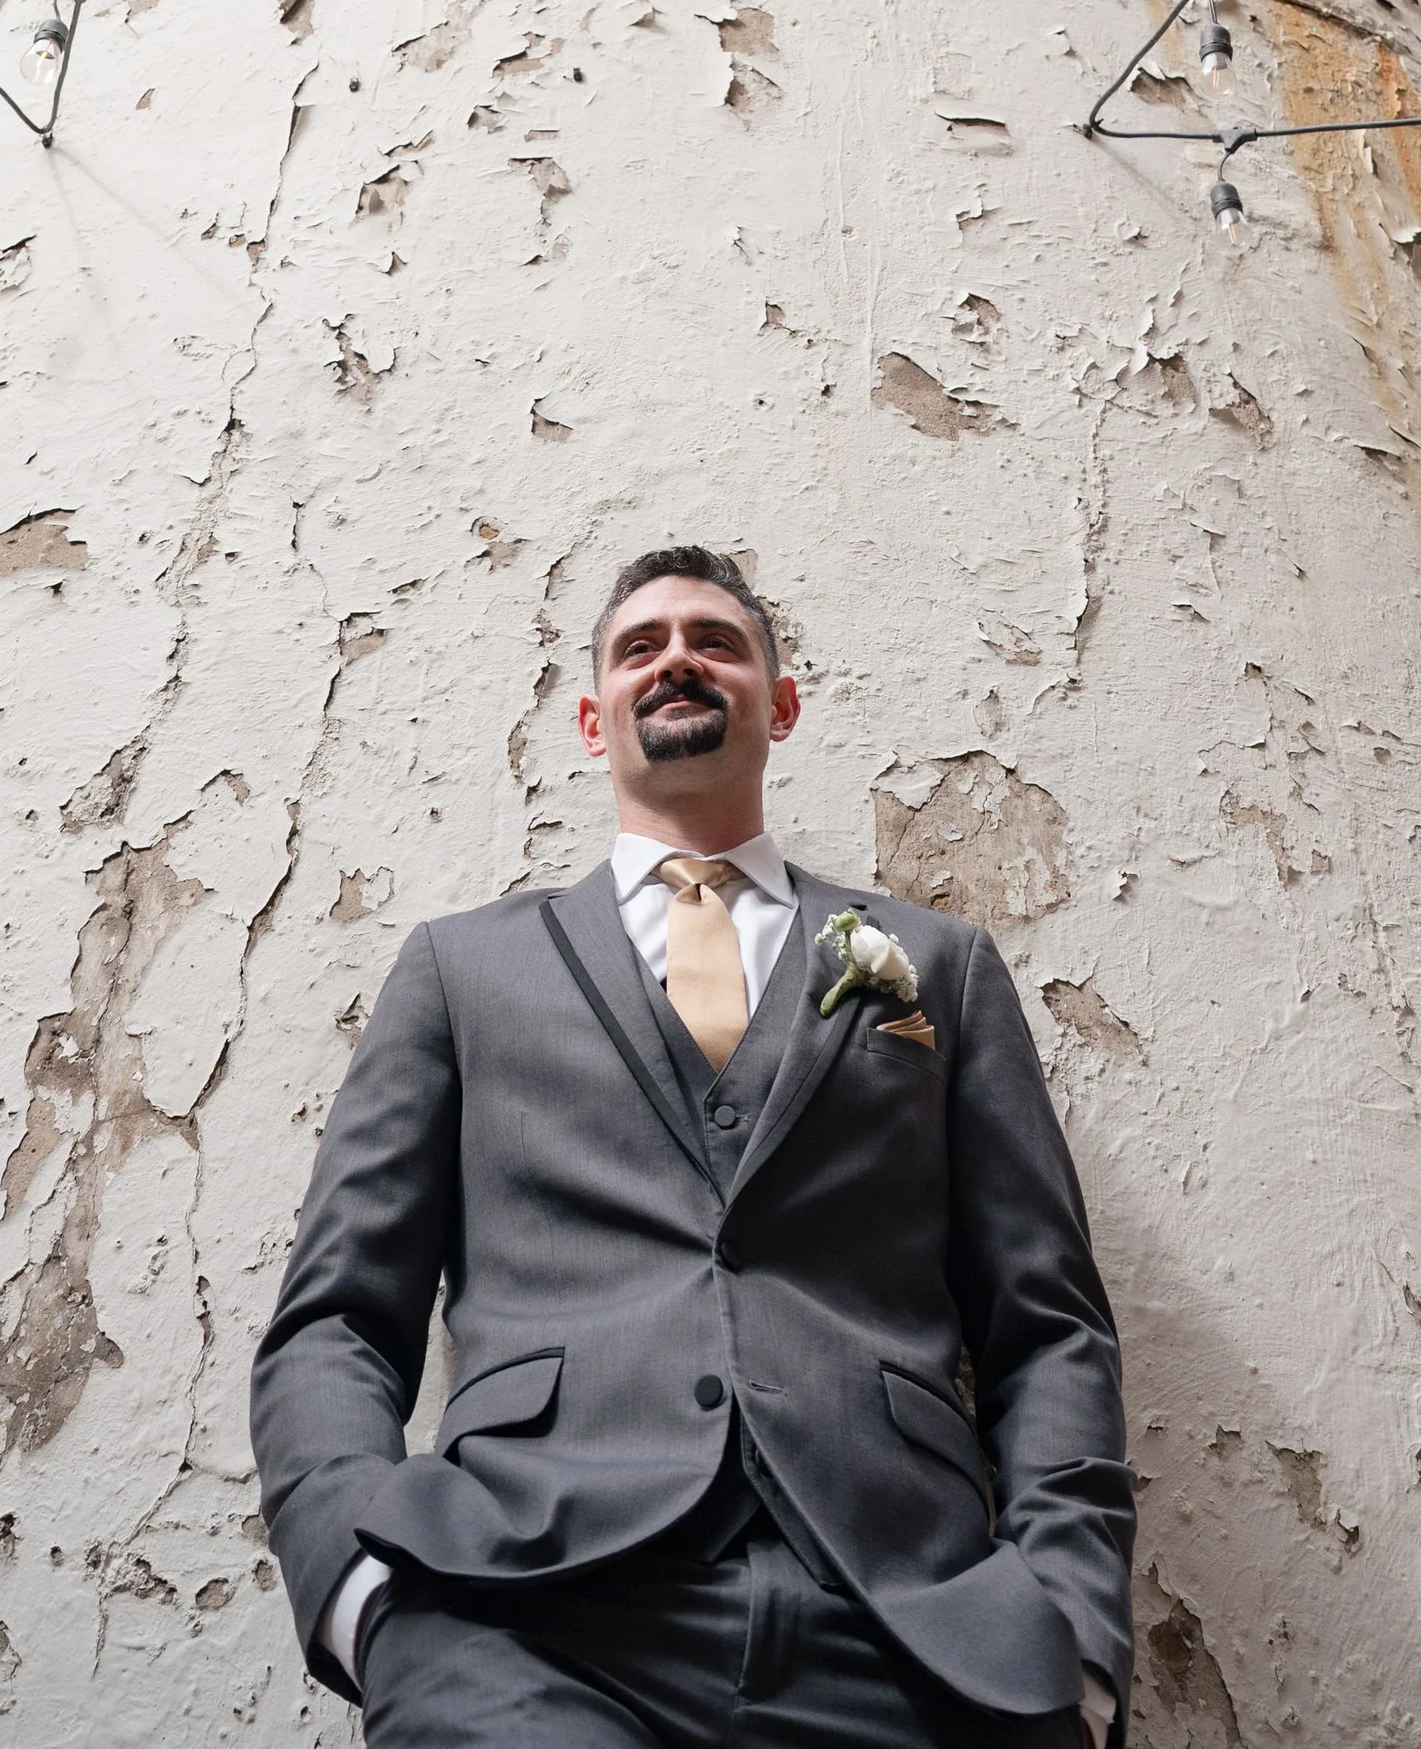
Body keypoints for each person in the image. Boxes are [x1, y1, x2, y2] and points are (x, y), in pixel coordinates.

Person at [251, 546, 1135, 1747]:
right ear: (590, 717)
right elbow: (339, 1315)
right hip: (523, 1623)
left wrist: (1072, 1639)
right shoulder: (461, 971)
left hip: (910, 1631)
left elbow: (1048, 1326)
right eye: (639, 646)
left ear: (779, 703)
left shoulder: (938, 965)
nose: (676, 657)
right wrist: (363, 1597)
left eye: (716, 641)